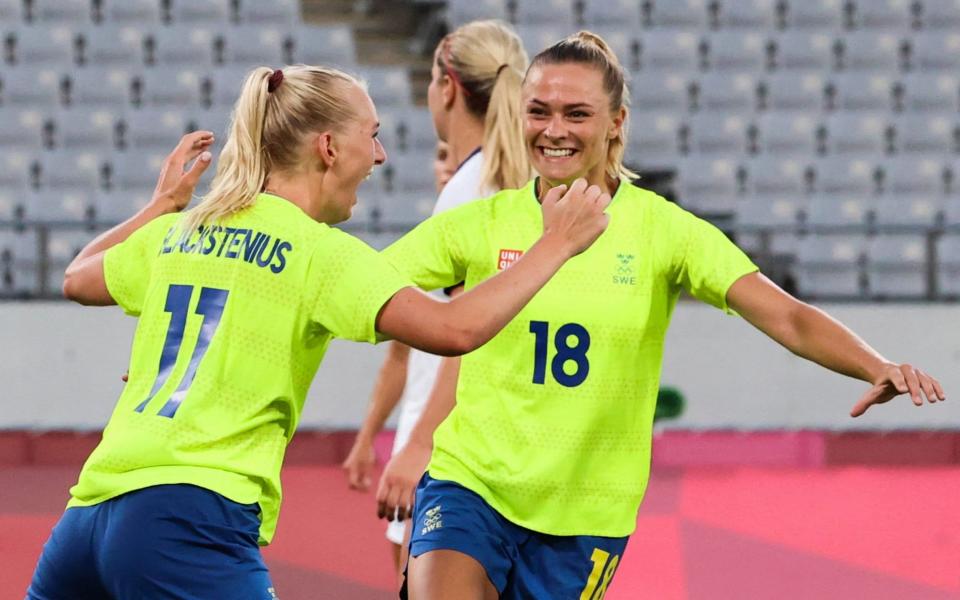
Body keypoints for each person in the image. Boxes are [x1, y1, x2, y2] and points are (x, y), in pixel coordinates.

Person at [375, 32, 948, 599]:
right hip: (470, 483)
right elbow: (365, 285)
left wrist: (876, 365)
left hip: (587, 511)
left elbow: (788, 317)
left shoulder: (663, 231)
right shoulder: (482, 222)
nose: (554, 131)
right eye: (539, 112)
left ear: (616, 122)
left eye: (577, 114)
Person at [25, 64, 612, 599]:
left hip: (88, 515)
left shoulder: (180, 231)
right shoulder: (317, 253)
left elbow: (77, 277)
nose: (380, 155)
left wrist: (161, 205)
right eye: (372, 134)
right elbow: (453, 329)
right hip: (190, 518)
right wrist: (556, 243)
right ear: (328, 147)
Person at [341, 19, 530, 578]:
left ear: (447, 85)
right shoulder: (510, 188)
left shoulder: (469, 195)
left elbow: (466, 333)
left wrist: (419, 442)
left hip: (451, 448)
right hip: (501, 442)